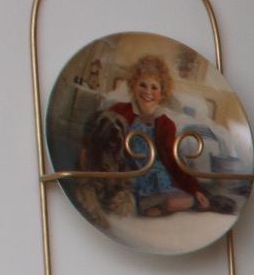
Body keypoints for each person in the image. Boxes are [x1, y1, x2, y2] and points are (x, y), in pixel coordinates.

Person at [81, 53, 230, 216]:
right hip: (132, 174)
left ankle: (194, 200)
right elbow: (97, 130)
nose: (148, 92)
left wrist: (195, 189)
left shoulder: (166, 123)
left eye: (154, 87)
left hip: (158, 176)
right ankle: (159, 206)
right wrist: (85, 149)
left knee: (170, 203)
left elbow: (174, 161)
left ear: (162, 92)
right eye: (142, 85)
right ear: (133, 86)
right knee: (146, 209)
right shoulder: (120, 110)